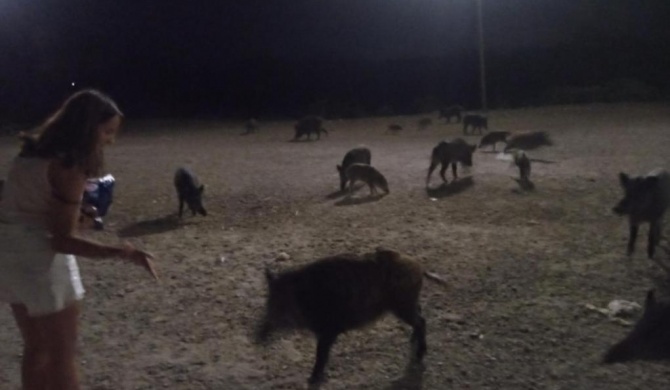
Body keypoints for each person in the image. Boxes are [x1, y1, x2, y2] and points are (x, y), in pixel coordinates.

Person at [0, 89, 159, 390]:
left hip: (7, 254)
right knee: (62, 354)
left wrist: (74, 214)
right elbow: (61, 240)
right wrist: (123, 252)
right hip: (39, 261)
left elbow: (27, 205)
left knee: (36, 347)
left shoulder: (30, 154)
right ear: (88, 128)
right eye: (107, 131)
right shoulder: (69, 166)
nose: (110, 140)